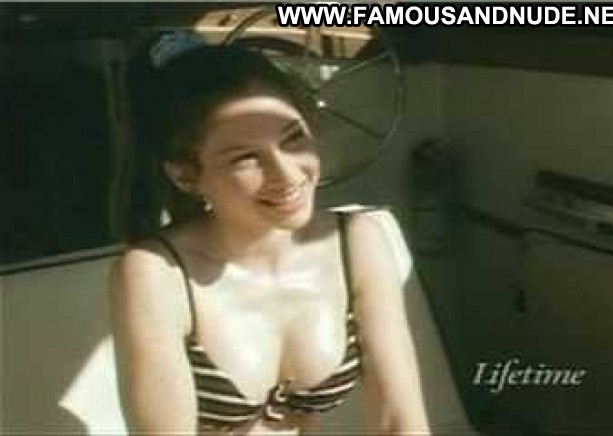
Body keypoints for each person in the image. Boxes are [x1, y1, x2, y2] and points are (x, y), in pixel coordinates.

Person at [109, 31, 431, 435]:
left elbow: (401, 422)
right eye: (246, 158)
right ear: (185, 175)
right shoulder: (156, 274)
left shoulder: (357, 241)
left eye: (293, 138)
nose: (287, 174)